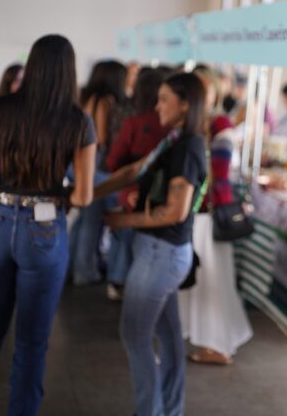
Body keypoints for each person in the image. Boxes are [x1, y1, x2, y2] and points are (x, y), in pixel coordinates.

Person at [0, 34, 96, 414]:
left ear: (31, 65)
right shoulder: (78, 121)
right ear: (68, 71)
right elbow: (83, 197)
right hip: (45, 228)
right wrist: (53, 188)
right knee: (31, 343)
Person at [94, 72, 208, 416]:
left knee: (134, 333)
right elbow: (134, 171)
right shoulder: (173, 138)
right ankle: (168, 409)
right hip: (159, 252)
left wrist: (121, 220)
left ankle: (151, 411)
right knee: (170, 338)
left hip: (162, 253)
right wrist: (89, 194)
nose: (156, 106)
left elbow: (175, 211)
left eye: (164, 99)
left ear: (185, 104)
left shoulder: (189, 146)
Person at [179, 65, 253, 365]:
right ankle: (213, 339)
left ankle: (218, 345)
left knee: (212, 278)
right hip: (200, 212)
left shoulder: (219, 125)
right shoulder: (199, 123)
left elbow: (219, 173)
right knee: (205, 278)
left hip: (209, 213)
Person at [103, 67, 169, 301]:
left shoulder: (135, 122)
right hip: (164, 197)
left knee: (125, 239)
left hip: (133, 192)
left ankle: (118, 281)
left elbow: (113, 161)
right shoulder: (174, 129)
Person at [69, 59, 128, 285]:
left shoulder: (86, 97)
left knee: (83, 221)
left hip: (80, 164)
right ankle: (85, 272)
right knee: (91, 221)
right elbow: (101, 137)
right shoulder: (104, 101)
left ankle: (72, 268)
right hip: (96, 165)